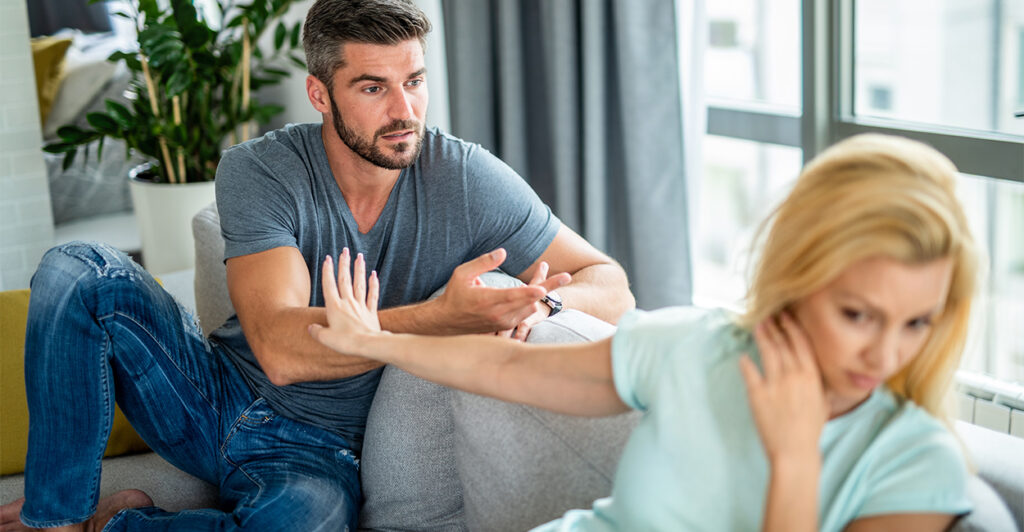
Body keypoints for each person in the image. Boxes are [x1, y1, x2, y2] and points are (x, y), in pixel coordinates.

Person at [0, 0, 634, 530]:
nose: (404, 111)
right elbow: (280, 349)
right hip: (212, 396)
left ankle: (117, 524)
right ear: (319, 94)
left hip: (317, 452)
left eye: (413, 81)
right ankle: (55, 521)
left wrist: (545, 303)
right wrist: (440, 318)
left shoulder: (467, 178)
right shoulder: (261, 168)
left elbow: (610, 283)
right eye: (372, 87)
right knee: (75, 269)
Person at [310, 133, 980, 532]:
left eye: (917, 322)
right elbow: (508, 372)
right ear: (798, 279)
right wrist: (372, 341)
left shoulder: (916, 463)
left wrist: (795, 459)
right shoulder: (698, 346)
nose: (886, 354)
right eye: (858, 315)